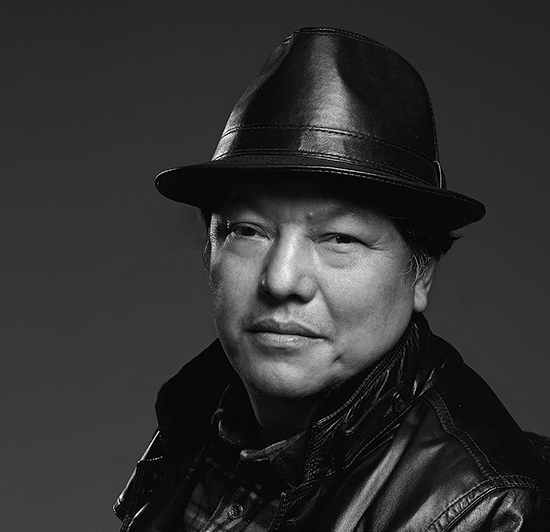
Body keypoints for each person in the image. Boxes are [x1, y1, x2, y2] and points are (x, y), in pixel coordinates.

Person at [114, 27, 550, 531]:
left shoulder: (486, 510)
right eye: (248, 230)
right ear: (210, 247)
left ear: (421, 273)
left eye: (339, 238)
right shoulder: (197, 416)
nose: (282, 280)